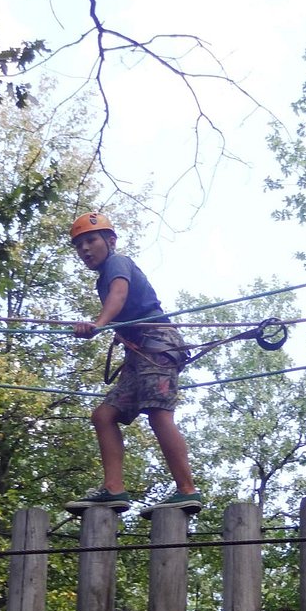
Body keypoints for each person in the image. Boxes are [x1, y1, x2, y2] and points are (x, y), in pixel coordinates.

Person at [64, 211, 203, 517]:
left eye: (91, 240)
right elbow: (119, 300)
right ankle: (114, 489)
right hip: (139, 352)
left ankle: (187, 490)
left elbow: (120, 293)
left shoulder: (118, 262)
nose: (85, 249)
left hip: (157, 343)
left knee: (158, 412)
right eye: (79, 246)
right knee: (104, 415)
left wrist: (99, 324)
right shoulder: (103, 278)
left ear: (110, 240)